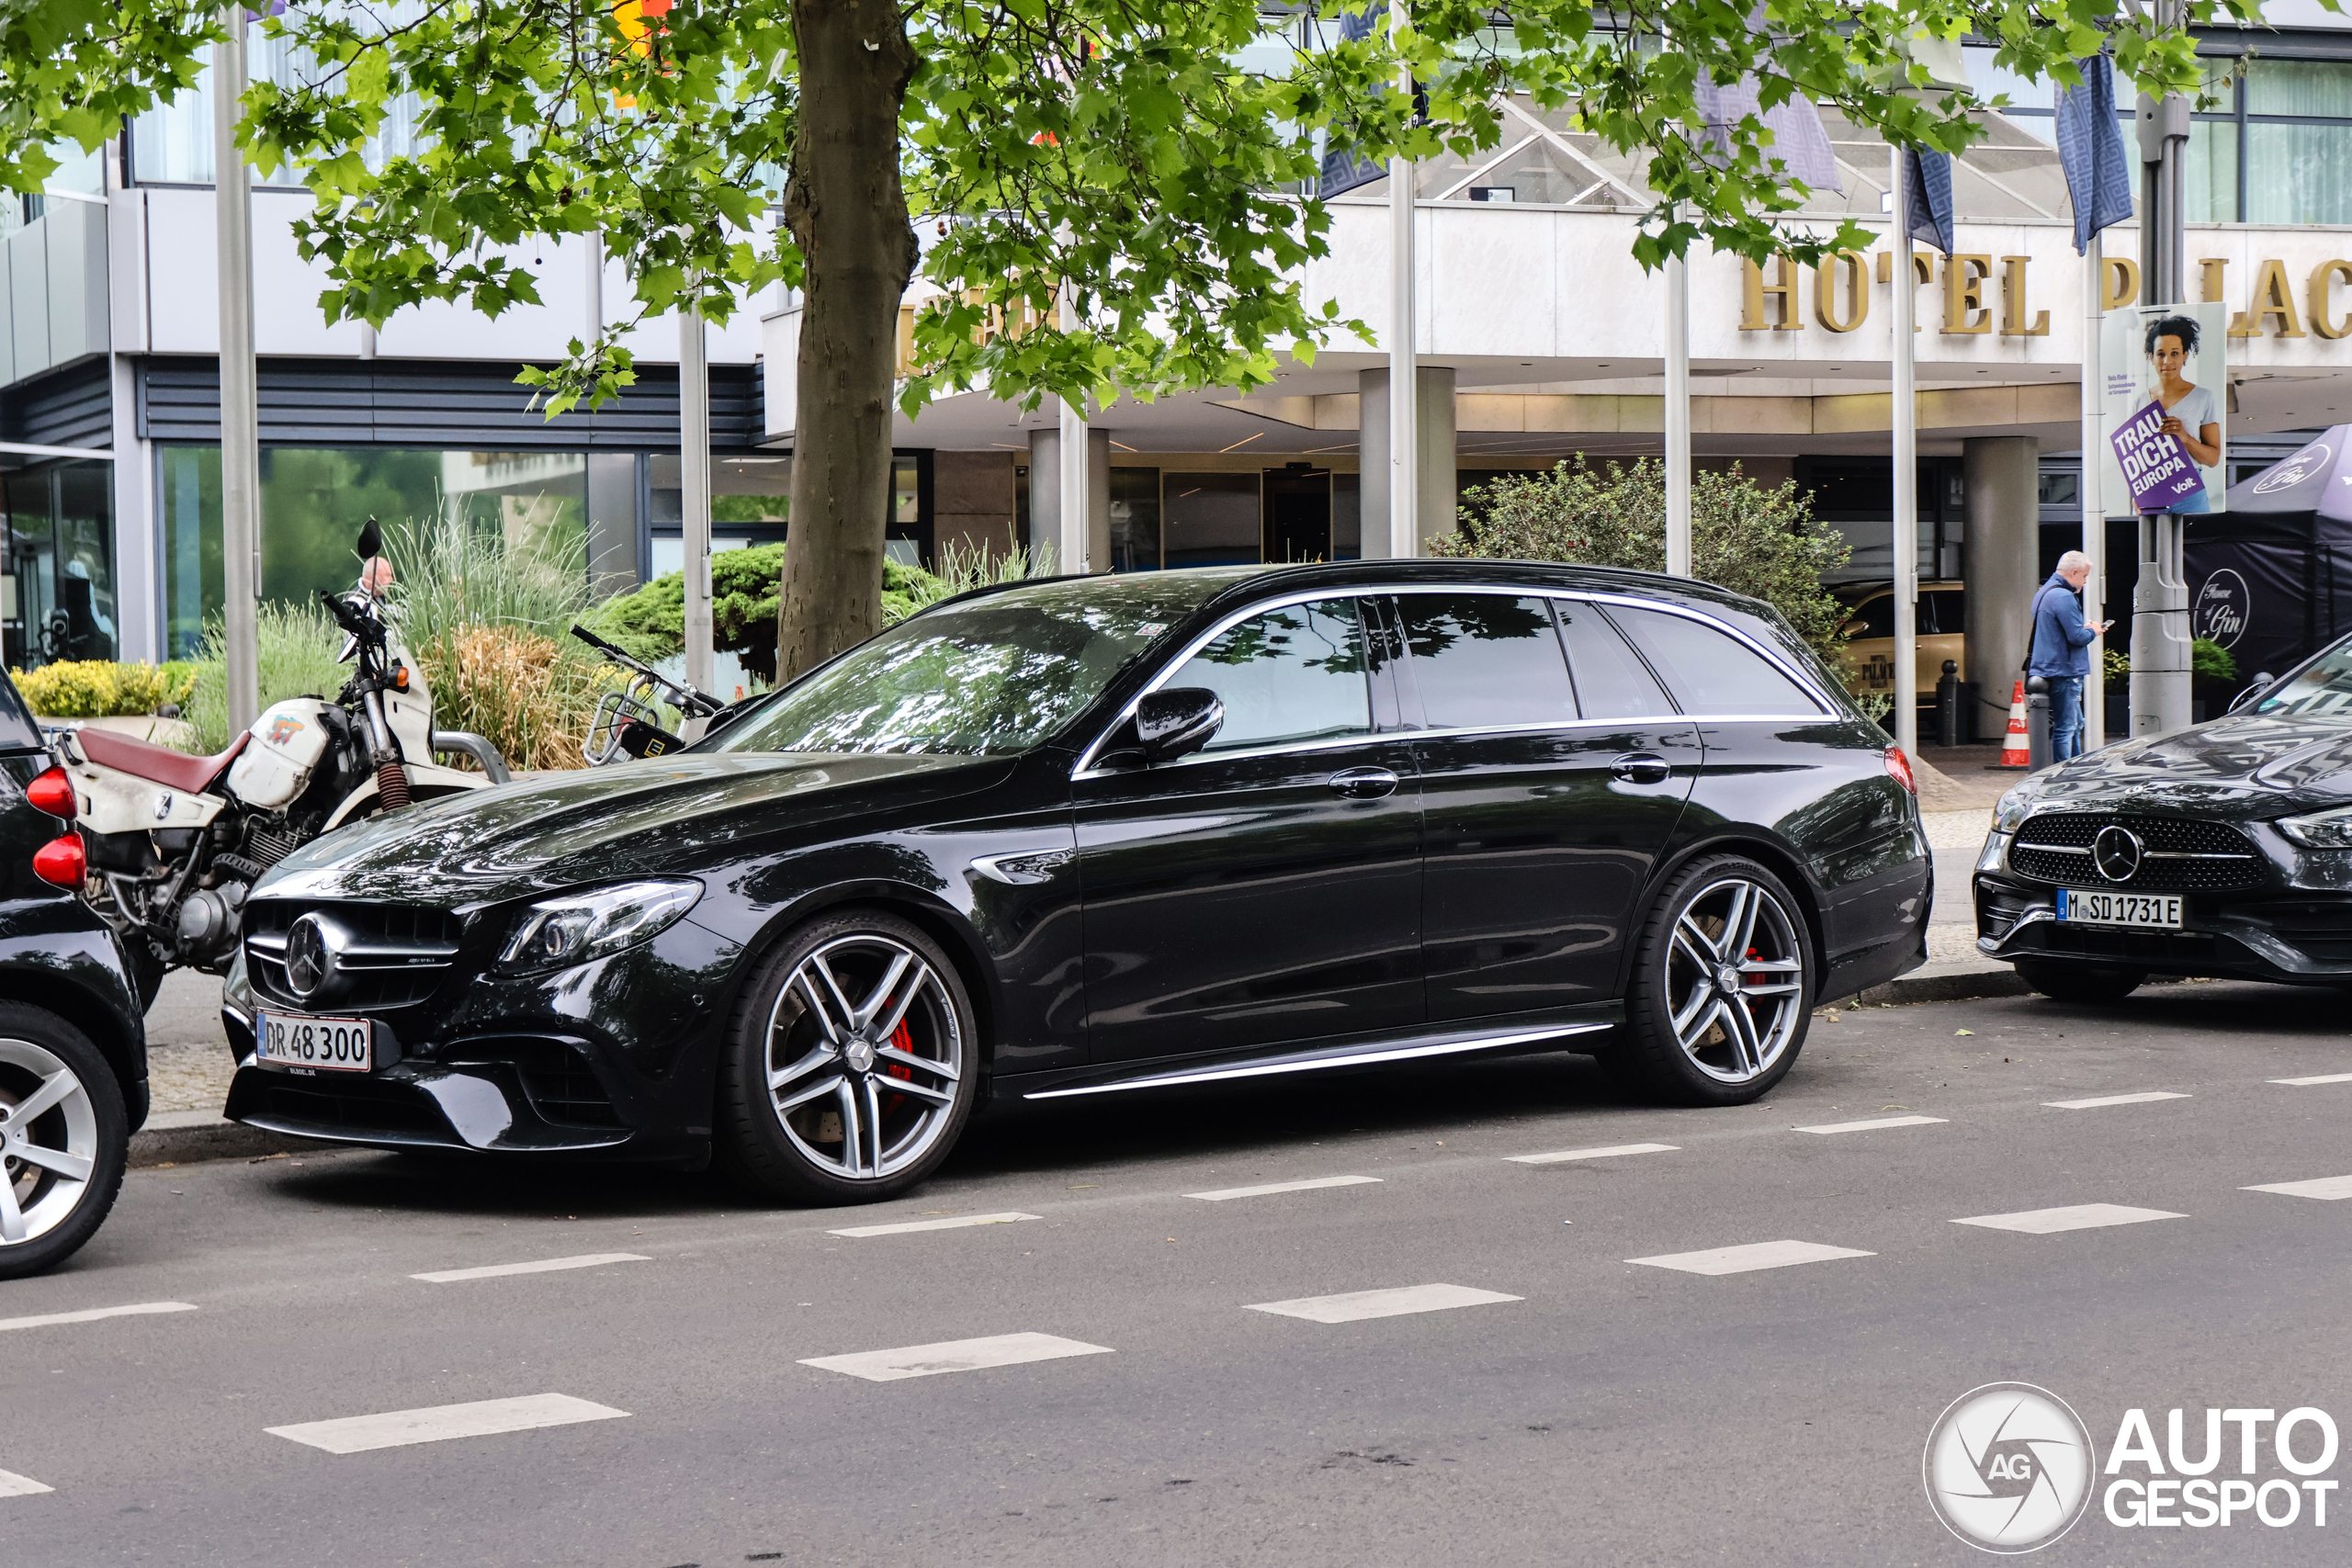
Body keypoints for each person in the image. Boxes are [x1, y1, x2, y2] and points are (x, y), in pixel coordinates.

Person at [2029, 550, 2113, 761]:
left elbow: (2054, 631)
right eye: (2084, 576)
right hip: (2066, 669)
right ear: (2074, 572)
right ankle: (2065, 772)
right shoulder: (2064, 596)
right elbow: (2077, 637)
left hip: (2048, 667)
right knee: (2066, 726)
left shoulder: (2044, 592)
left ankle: (2076, 767)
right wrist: (2093, 630)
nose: (2084, 582)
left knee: (2075, 723)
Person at [2144, 314, 2222, 513]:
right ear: (2151, 357)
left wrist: (2185, 438)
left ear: (2185, 355)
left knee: (2196, 543)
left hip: (2189, 489)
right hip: (2152, 490)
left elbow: (2213, 459)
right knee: (2148, 543)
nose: (2167, 361)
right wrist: (2136, 494)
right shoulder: (2140, 400)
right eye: (2161, 354)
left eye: (2175, 353)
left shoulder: (2203, 397)